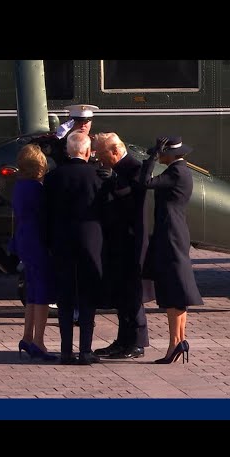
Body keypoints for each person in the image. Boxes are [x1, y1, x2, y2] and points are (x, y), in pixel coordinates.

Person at [137, 136, 203, 364]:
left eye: (162, 153)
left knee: (173, 289)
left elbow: (145, 182)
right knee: (176, 288)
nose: (159, 156)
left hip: (170, 235)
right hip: (175, 232)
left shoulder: (176, 172)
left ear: (170, 155)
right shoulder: (181, 171)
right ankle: (179, 340)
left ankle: (175, 342)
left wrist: (150, 159)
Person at [43, 132, 105, 365]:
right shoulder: (97, 176)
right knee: (88, 296)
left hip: (61, 241)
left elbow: (46, 213)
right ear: (88, 152)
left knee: (65, 297)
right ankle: (86, 350)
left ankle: (66, 350)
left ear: (68, 151)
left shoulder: (53, 177)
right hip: (91, 241)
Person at [92, 132, 150, 359]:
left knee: (133, 295)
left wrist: (115, 183)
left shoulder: (134, 168)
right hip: (116, 240)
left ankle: (137, 342)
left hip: (131, 241)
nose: (99, 159)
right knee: (122, 295)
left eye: (102, 154)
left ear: (115, 151)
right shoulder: (116, 169)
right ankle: (123, 339)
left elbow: (136, 204)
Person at [11, 144, 57, 361]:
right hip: (38, 241)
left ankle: (27, 336)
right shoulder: (38, 190)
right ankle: (39, 341)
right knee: (42, 293)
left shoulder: (19, 187)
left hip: (24, 240)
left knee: (31, 291)